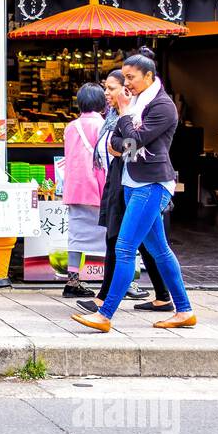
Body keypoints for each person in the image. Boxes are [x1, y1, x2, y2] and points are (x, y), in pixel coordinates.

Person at [72, 49, 196, 332]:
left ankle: (105, 314)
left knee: (124, 247)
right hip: (132, 181)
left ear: (149, 76)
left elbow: (134, 141)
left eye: (131, 77)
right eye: (124, 77)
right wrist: (125, 129)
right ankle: (184, 310)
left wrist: (126, 116)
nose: (126, 83)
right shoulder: (136, 102)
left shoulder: (162, 106)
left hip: (152, 183)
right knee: (159, 249)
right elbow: (117, 140)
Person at [76, 69, 173, 316]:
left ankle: (104, 304)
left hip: (137, 182)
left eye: (111, 87)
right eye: (105, 88)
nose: (106, 93)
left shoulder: (139, 113)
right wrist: (119, 145)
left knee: (121, 242)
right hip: (119, 178)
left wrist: (120, 144)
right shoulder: (114, 116)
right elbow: (115, 145)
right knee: (148, 245)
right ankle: (168, 299)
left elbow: (129, 148)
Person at [60, 83, 109, 299]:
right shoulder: (105, 126)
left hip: (75, 189)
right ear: (102, 103)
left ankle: (72, 281)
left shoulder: (71, 127)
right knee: (110, 237)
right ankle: (115, 282)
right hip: (99, 189)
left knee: (76, 236)